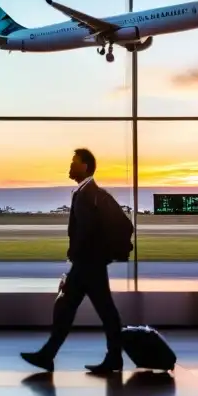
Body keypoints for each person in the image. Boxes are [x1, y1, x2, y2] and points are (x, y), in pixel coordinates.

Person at [21, 148, 124, 374]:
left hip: (88, 263)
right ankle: (50, 355)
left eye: (74, 162)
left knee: (92, 309)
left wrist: (78, 254)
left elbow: (87, 231)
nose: (70, 166)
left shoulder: (87, 194)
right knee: (80, 308)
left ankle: (51, 355)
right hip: (88, 263)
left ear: (85, 167)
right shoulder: (87, 192)